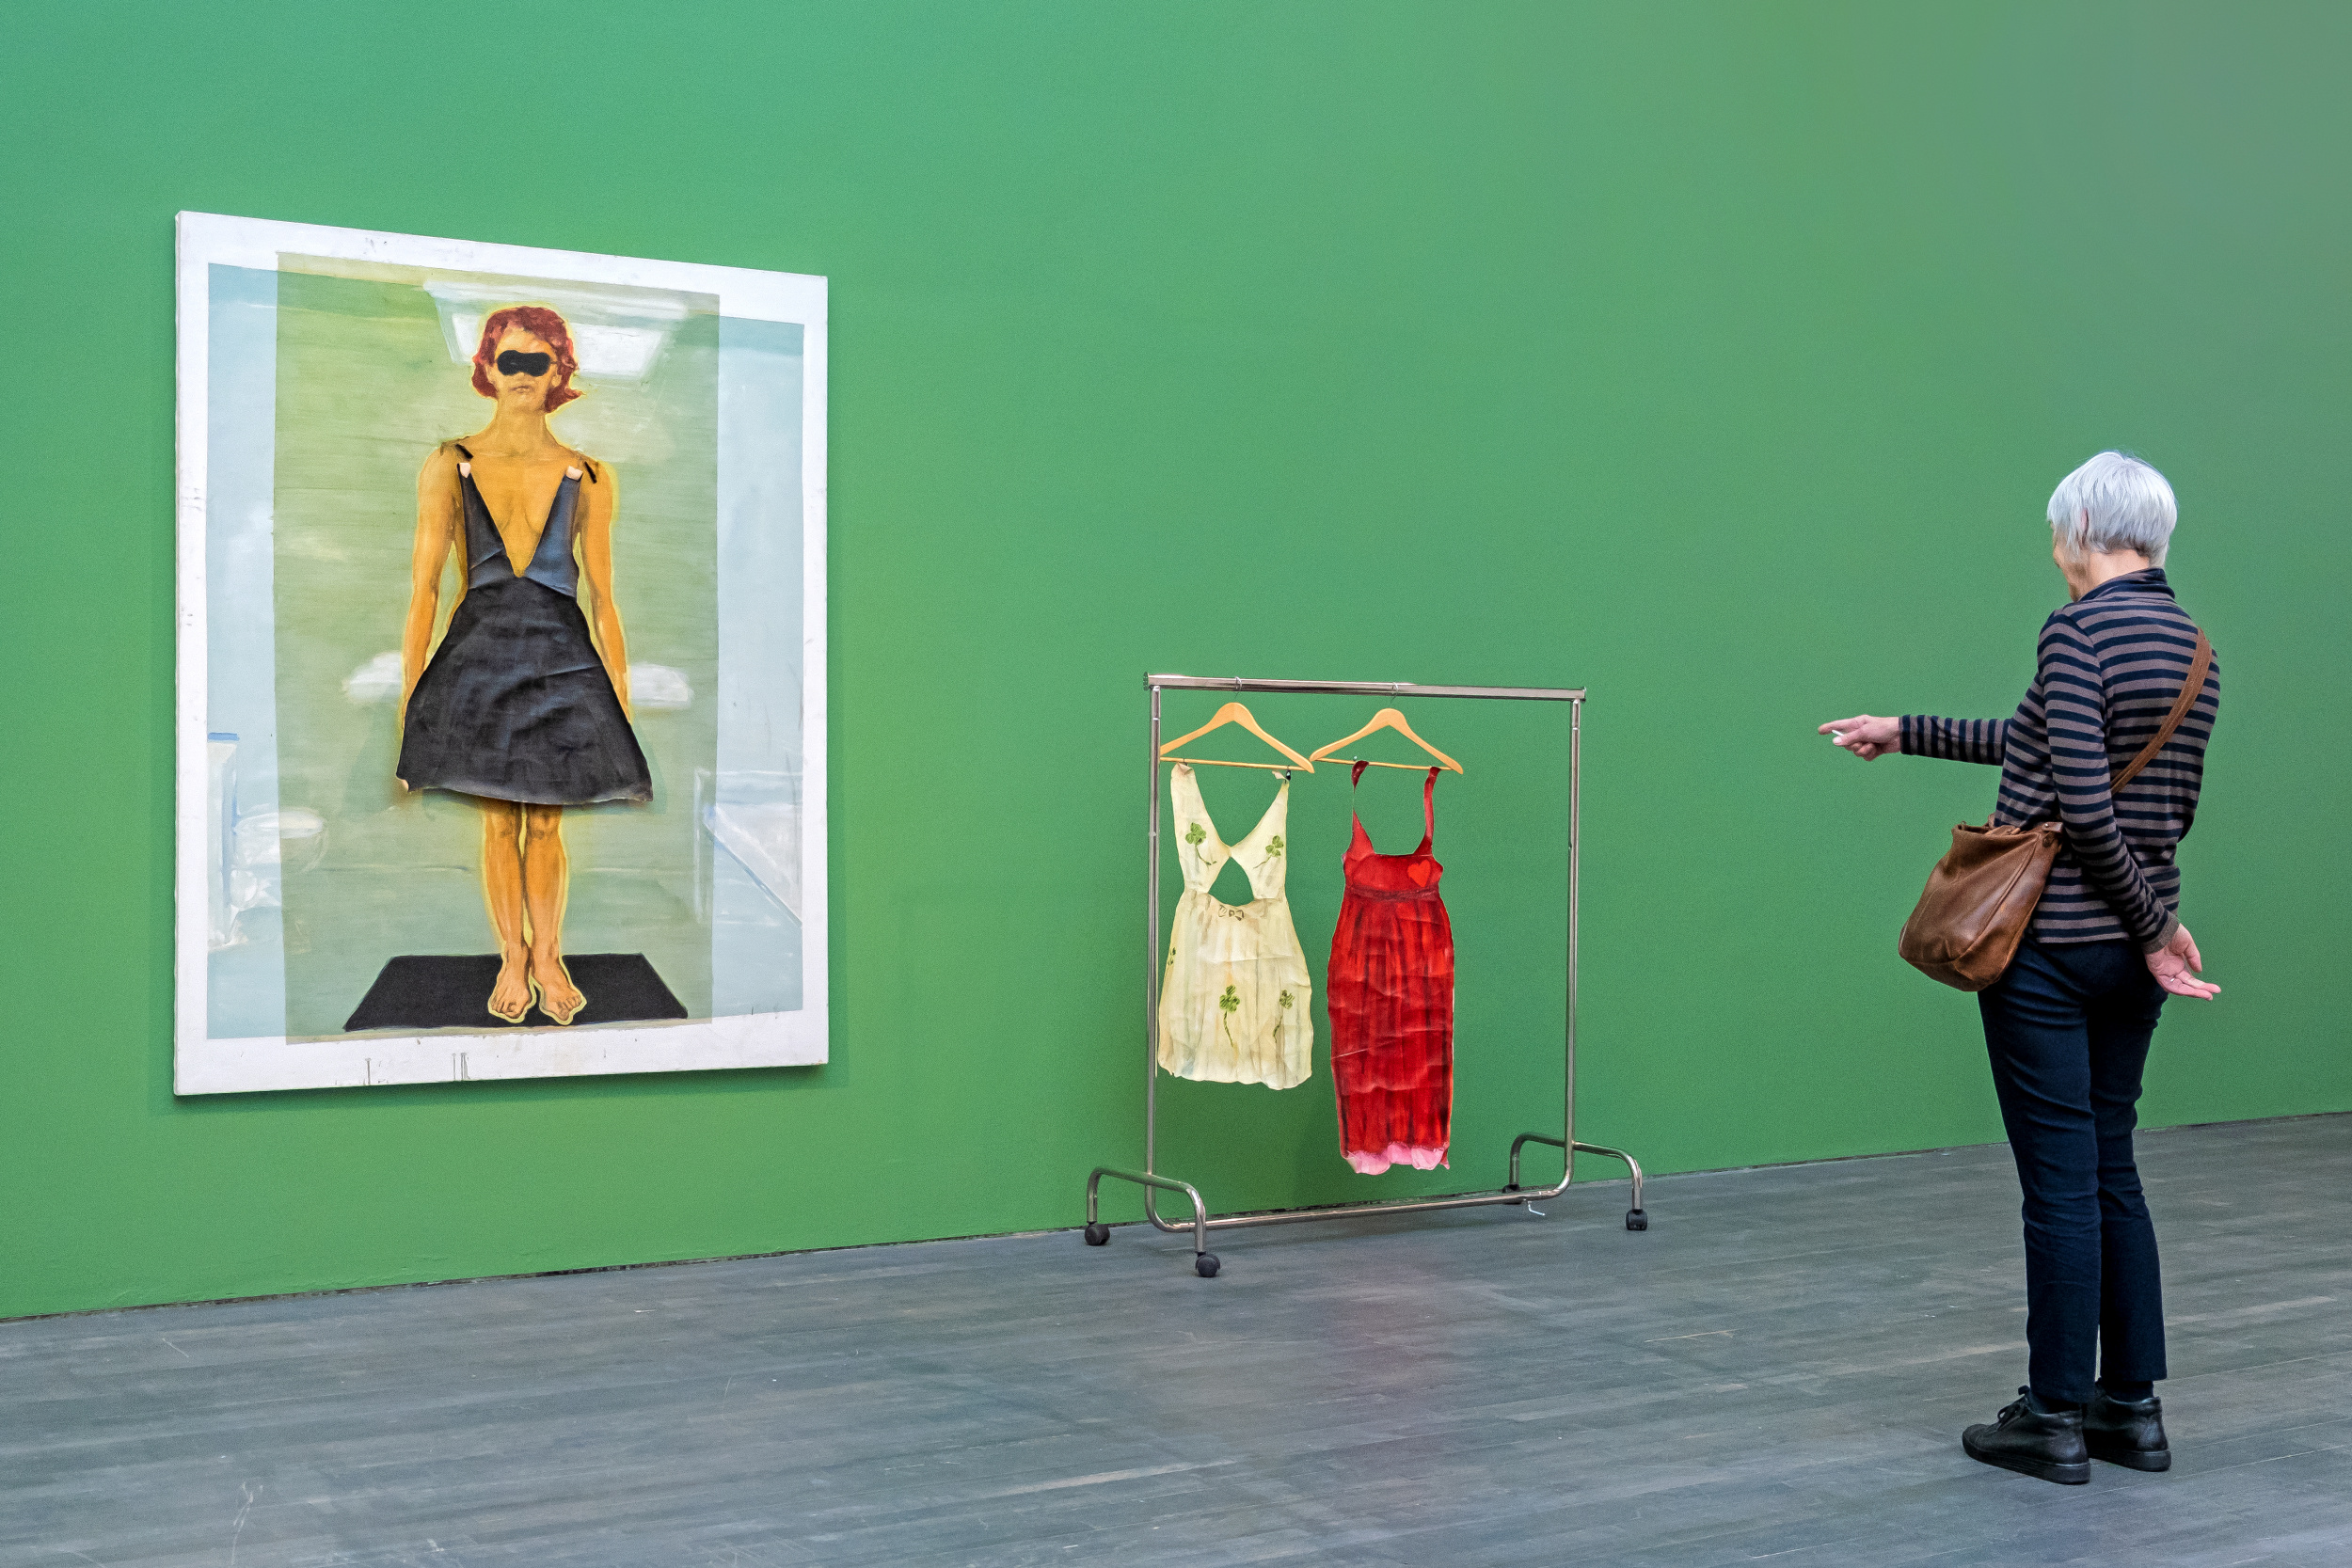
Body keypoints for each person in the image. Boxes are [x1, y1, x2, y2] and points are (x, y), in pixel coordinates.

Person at [1819, 451, 2219, 1485]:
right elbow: (2049, 747)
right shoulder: (2192, 647)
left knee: (2059, 1184)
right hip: (2131, 952)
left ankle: (2050, 1417)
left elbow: (2080, 805)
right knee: (2111, 1164)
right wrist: (1904, 732)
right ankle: (2130, 1408)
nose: (2053, 550)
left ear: (2082, 527)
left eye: (2055, 532)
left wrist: (2149, 928)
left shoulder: (2075, 630)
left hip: (2050, 947)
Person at [396, 306, 652, 1026]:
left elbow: (603, 596)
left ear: (558, 373)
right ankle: (512, 954)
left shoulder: (588, 474)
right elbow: (424, 589)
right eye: (509, 360)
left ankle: (549, 957)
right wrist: (412, 694)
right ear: (487, 368)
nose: (522, 375)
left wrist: (620, 693)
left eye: (537, 362)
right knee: (497, 824)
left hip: (560, 664)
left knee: (545, 825)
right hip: (477, 661)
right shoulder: (449, 462)